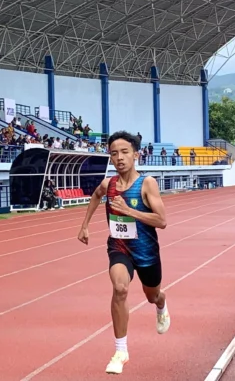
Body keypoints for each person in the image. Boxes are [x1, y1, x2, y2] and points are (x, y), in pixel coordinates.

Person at [77, 131, 170, 375]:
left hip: (147, 251)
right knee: (120, 289)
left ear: (136, 155)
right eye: (114, 153)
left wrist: (130, 210)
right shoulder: (109, 184)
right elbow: (97, 195)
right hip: (119, 247)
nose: (119, 158)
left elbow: (161, 221)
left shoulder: (147, 183)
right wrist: (85, 225)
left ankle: (161, 304)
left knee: (152, 295)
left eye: (124, 152)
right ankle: (121, 350)